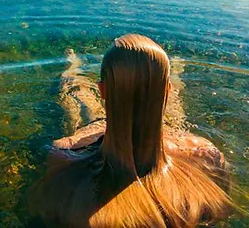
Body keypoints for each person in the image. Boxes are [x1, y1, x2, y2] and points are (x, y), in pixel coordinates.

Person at [30, 34, 232, 227]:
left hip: (98, 127)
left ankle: (72, 67)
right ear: (167, 91)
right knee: (172, 111)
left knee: (76, 93)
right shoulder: (206, 154)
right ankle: (176, 69)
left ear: (102, 90)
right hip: (171, 133)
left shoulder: (64, 154)